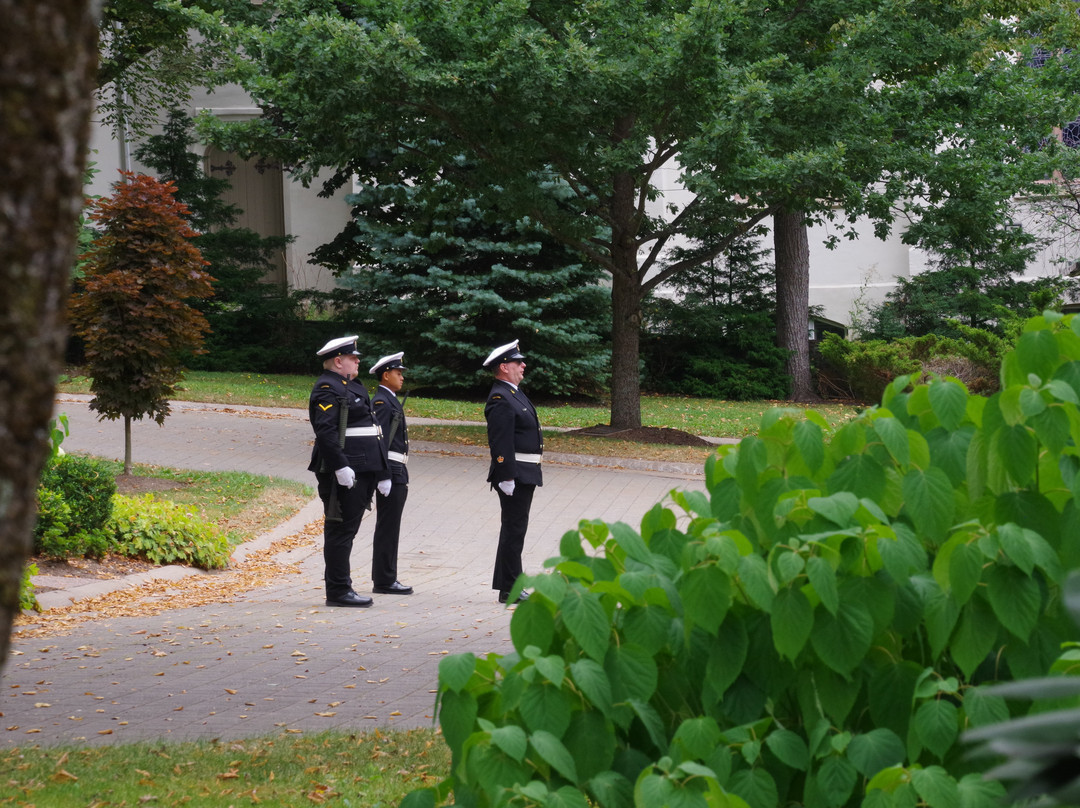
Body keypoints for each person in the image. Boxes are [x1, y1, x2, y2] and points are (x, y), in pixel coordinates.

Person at [308, 336, 390, 607]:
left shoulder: (351, 385)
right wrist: (340, 465)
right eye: (353, 358)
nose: (358, 361)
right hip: (345, 469)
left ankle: (342, 587)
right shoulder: (327, 388)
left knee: (348, 529)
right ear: (338, 361)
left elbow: (374, 431)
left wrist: (382, 470)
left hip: (363, 468)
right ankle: (338, 590)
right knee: (340, 530)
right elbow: (326, 431)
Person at [483, 339, 543, 604]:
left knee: (514, 529)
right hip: (514, 474)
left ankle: (506, 585)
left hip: (524, 472)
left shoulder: (513, 393)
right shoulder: (501, 397)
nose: (523, 365)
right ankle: (511, 588)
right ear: (504, 367)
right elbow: (500, 440)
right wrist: (506, 474)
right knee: (514, 530)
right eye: (518, 362)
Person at [368, 352, 414, 595]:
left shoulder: (389, 400)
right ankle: (384, 580)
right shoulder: (382, 403)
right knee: (388, 526)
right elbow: (380, 442)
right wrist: (383, 475)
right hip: (391, 470)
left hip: (397, 469)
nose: (402, 377)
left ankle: (386, 577)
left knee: (391, 526)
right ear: (386, 375)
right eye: (398, 373)